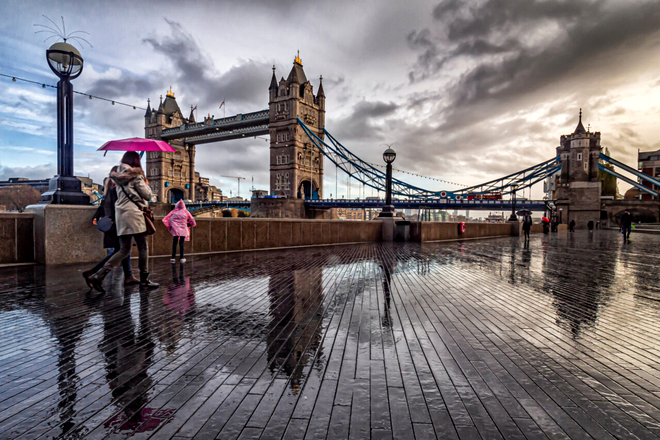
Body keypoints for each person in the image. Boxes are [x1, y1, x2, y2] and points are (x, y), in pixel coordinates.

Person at [88, 152, 158, 293]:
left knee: (124, 249)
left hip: (121, 216)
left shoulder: (116, 178)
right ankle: (144, 280)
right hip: (134, 215)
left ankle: (98, 275)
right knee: (143, 247)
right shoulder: (137, 176)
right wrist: (146, 184)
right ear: (135, 161)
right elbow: (148, 195)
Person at [82, 168, 139, 288]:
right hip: (119, 225)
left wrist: (96, 216)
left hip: (113, 226)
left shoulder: (109, 190)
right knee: (122, 251)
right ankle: (93, 272)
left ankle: (128, 276)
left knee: (123, 250)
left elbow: (103, 206)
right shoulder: (116, 191)